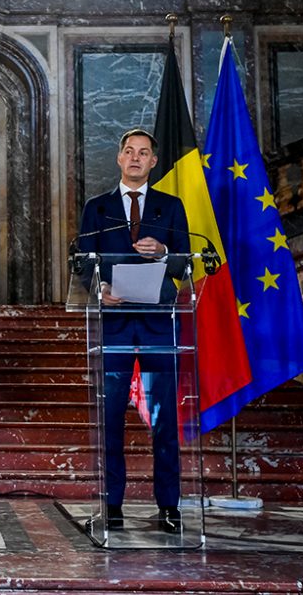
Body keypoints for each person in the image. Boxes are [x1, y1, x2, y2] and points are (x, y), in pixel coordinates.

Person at [77, 129, 189, 534]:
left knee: (164, 420)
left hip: (158, 323)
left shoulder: (171, 207)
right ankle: (112, 507)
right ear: (119, 159)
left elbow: (183, 263)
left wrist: (164, 253)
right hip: (115, 324)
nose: (136, 158)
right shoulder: (97, 207)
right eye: (129, 151)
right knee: (110, 420)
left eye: (144, 153)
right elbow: (81, 260)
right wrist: (99, 289)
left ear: (154, 161)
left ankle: (169, 508)